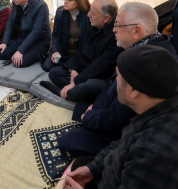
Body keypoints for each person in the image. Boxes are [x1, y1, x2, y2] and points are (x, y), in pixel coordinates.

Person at [57, 2, 178, 157]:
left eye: (118, 25)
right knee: (79, 110)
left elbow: (118, 118)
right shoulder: (159, 43)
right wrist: (94, 107)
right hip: (113, 106)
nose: (113, 29)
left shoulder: (146, 64)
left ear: (136, 31)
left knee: (68, 141)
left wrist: (89, 116)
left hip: (124, 129)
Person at [62, 45, 178, 189]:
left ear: (134, 90)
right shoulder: (153, 109)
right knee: (81, 164)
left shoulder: (153, 152)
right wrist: (93, 168)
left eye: (118, 77)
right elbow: (124, 142)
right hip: (117, 170)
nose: (114, 82)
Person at [40, 0, 123, 102]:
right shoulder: (92, 24)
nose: (88, 15)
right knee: (54, 73)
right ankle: (75, 92)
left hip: (99, 76)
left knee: (89, 86)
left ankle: (73, 91)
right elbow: (79, 49)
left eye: (92, 13)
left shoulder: (116, 36)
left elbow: (100, 66)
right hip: (83, 69)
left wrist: (75, 82)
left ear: (106, 18)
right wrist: (74, 69)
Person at [0, 0, 51, 67]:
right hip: (23, 38)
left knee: (20, 62)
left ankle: (37, 54)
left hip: (39, 42)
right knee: (0, 54)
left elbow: (36, 32)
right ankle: (20, 52)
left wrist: (20, 50)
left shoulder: (41, 6)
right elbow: (10, 22)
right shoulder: (16, 3)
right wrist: (4, 42)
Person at [42, 0, 91, 72]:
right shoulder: (60, 12)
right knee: (47, 66)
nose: (66, 2)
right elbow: (55, 35)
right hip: (63, 50)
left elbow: (90, 40)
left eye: (70, 0)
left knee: (72, 68)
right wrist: (55, 51)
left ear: (79, 2)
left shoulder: (88, 15)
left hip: (79, 52)